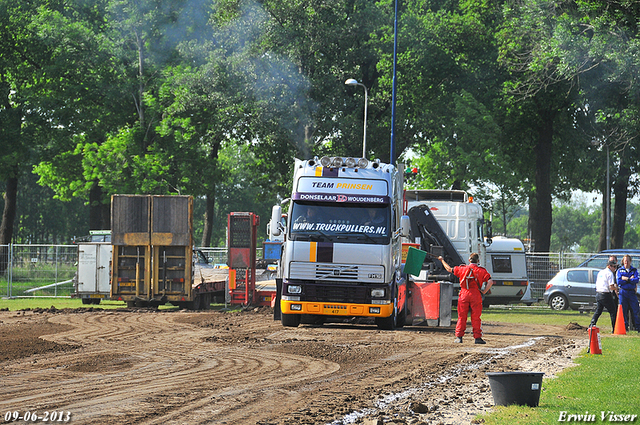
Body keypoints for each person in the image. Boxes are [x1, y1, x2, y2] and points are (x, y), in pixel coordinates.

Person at [439, 253, 494, 344]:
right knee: (476, 317)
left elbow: (449, 269)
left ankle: (459, 337)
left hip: (464, 293)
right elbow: (490, 281)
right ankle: (477, 338)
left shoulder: (462, 268)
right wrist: (484, 291)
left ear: (469, 260)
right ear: (478, 261)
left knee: (461, 316)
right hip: (476, 294)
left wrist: (441, 260)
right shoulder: (481, 271)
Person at [590, 259, 619, 331]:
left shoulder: (601, 272)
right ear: (609, 266)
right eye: (614, 267)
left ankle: (591, 324)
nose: (615, 269)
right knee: (613, 311)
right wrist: (617, 288)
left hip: (598, 293)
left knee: (598, 311)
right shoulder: (610, 274)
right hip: (605, 294)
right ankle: (614, 329)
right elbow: (611, 287)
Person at [616, 254, 640, 332]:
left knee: (635, 309)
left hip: (632, 292)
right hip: (623, 292)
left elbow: (636, 280)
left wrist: (626, 279)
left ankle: (637, 327)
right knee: (623, 310)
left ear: (630, 261)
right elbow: (619, 281)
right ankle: (625, 327)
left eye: (628, 261)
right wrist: (630, 279)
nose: (627, 262)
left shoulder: (634, 270)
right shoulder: (620, 270)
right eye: (625, 261)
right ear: (623, 261)